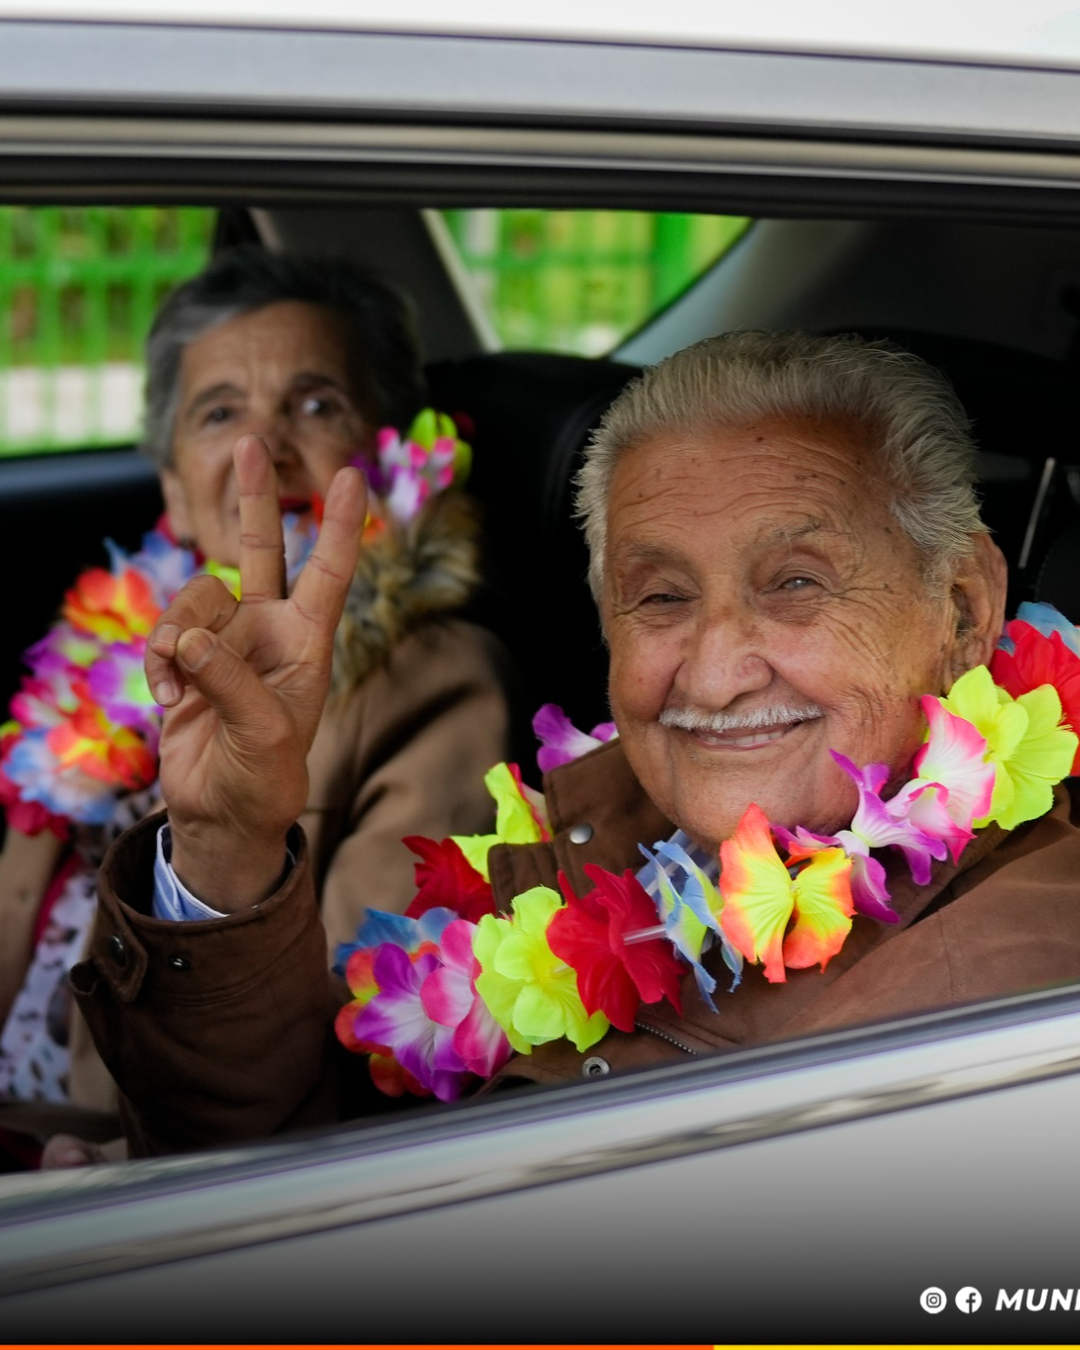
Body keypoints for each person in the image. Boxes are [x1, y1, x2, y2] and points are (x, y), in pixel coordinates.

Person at [73, 331, 1080, 1157]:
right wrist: (230, 842)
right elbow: (286, 1158)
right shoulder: (599, 852)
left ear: (963, 607)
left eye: (796, 583)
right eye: (662, 596)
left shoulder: (1013, 996)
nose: (715, 668)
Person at [0, 247, 512, 1157]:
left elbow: (336, 1045)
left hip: (113, 1148)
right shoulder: (115, 656)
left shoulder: (435, 677)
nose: (264, 448)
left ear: (385, 452)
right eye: (219, 411)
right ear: (170, 484)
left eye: (317, 405)